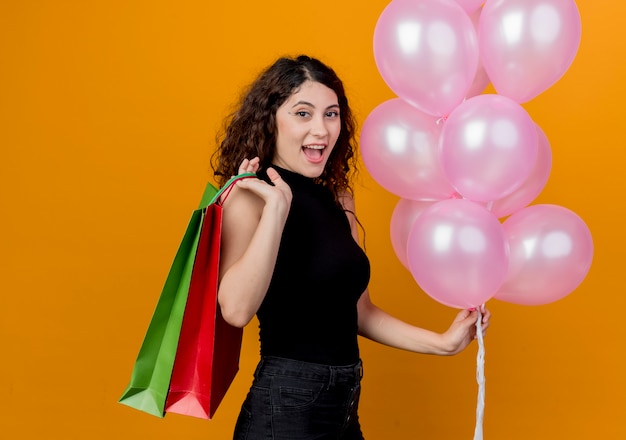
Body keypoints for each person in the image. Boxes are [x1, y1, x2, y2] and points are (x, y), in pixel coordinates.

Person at [211, 55, 490, 440]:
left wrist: (442, 343)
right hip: (286, 409)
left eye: (331, 114)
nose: (321, 130)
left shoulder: (338, 199)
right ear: (271, 119)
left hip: (344, 406)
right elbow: (236, 309)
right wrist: (277, 208)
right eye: (303, 114)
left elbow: (359, 313)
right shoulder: (249, 197)